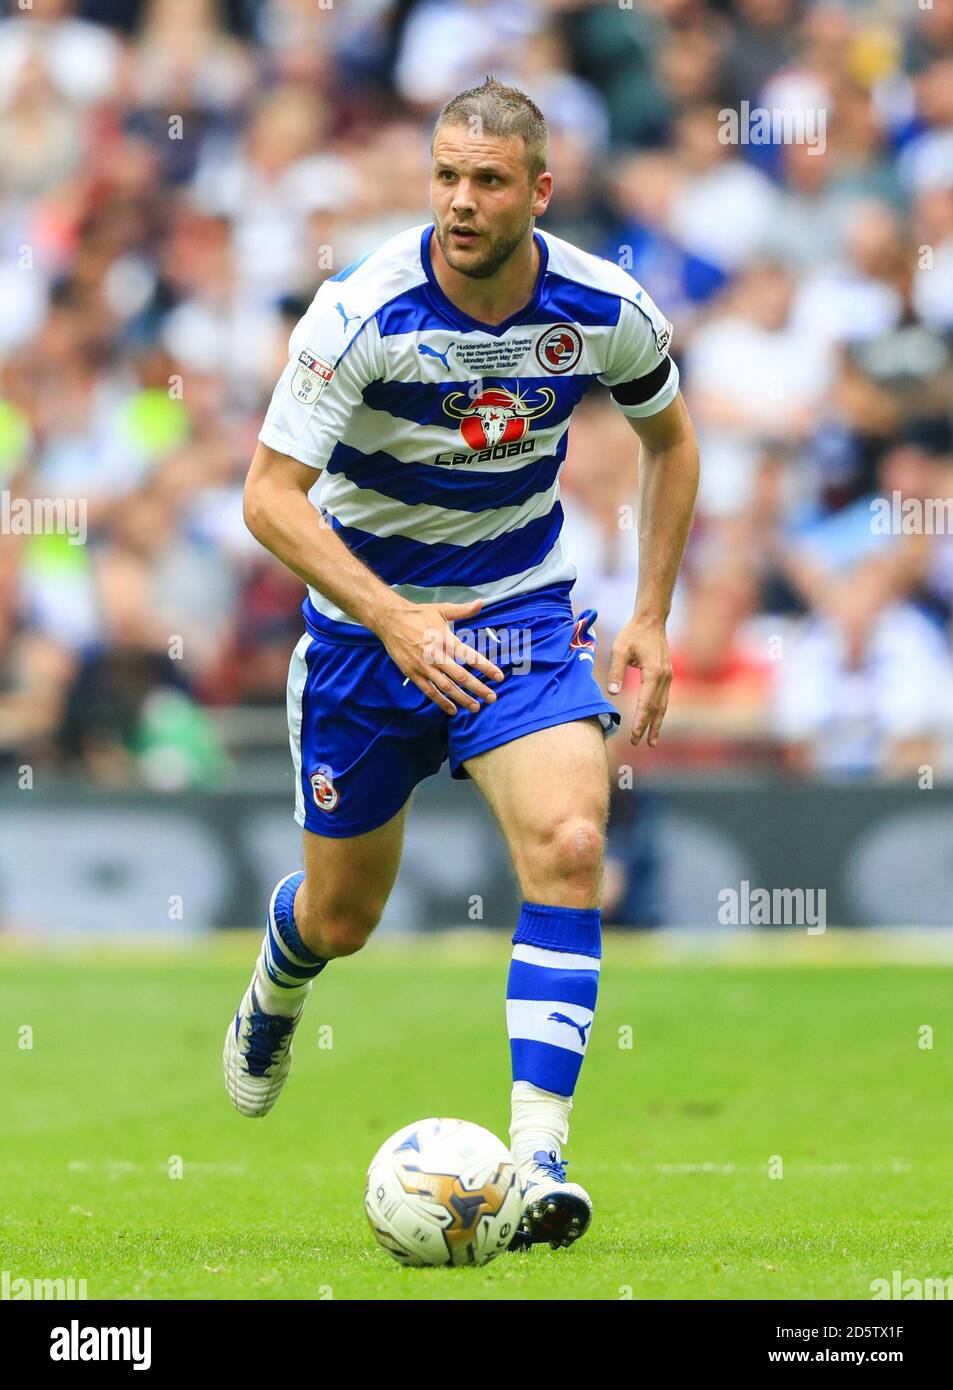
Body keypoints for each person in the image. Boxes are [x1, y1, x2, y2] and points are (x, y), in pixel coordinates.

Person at [223, 77, 699, 1252]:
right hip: (364, 637)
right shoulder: (358, 314)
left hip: (516, 617)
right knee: (342, 920)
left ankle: (538, 1160)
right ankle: (278, 986)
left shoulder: (602, 306)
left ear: (538, 191)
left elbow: (670, 443)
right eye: (444, 175)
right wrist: (392, 621)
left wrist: (647, 613)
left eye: (487, 180)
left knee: (570, 843)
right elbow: (268, 501)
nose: (459, 201)